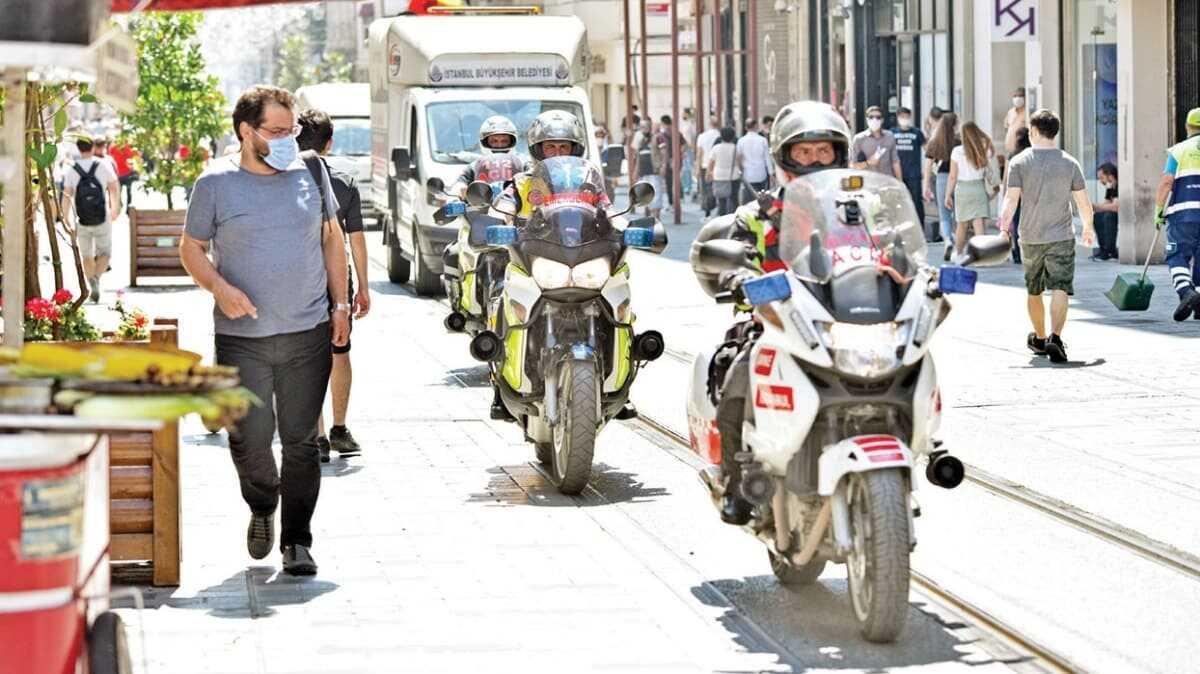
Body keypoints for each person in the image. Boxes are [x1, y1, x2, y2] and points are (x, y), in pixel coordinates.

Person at [180, 85, 350, 576]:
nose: (287, 139)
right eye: (276, 131)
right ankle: (261, 504)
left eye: (291, 130)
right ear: (246, 131)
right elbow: (191, 248)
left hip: (306, 330)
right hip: (242, 338)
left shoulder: (311, 172)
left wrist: (339, 304)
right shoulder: (215, 183)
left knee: (301, 442)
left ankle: (298, 540)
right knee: (250, 439)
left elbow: (330, 239)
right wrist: (218, 287)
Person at [702, 102, 850, 524]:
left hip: (845, 323)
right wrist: (736, 278)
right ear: (785, 156)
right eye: (804, 153)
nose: (815, 161)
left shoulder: (857, 208)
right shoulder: (756, 215)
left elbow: (892, 248)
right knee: (736, 382)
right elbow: (733, 258)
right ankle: (736, 483)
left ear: (839, 155)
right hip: (776, 323)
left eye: (824, 152)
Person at [297, 108, 371, 464]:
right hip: (338, 278)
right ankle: (341, 427)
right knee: (340, 351)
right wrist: (365, 288)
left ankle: (320, 435)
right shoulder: (345, 179)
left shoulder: (286, 178)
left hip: (300, 277)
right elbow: (355, 240)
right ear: (330, 142)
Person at [997, 109, 1094, 364]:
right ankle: (1055, 337)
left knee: (1034, 290)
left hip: (1030, 237)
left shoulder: (1019, 162)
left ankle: (1039, 338)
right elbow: (1083, 202)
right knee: (1060, 287)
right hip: (1062, 235)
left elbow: (1011, 199)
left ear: (1034, 132)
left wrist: (1003, 227)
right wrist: (1088, 226)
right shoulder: (1070, 162)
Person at [62, 134, 121, 303]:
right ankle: (96, 279)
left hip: (82, 219)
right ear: (93, 147)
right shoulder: (102, 165)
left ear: (78, 148)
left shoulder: (72, 169)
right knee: (105, 253)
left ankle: (91, 282)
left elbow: (66, 195)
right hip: (102, 217)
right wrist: (114, 208)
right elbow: (114, 187)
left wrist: (65, 217)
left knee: (86, 255)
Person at [1154, 106, 1200, 321]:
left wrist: (1158, 210)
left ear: (1187, 127)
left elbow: (1166, 182)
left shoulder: (1179, 150)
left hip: (1184, 213)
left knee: (1177, 255)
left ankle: (1186, 291)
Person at [944, 122, 998, 262]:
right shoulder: (983, 150)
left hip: (962, 189)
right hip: (978, 188)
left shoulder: (957, 151)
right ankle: (981, 256)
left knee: (962, 224)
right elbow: (992, 159)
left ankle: (958, 253)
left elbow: (952, 176)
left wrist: (947, 195)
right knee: (978, 222)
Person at [449, 115, 523, 198]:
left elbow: (535, 176)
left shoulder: (521, 162)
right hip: (483, 208)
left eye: (504, 141)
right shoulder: (476, 164)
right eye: (494, 141)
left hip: (518, 207)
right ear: (484, 142)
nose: (499, 145)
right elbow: (461, 181)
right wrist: (455, 194)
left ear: (512, 141)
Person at [924, 111, 960, 261]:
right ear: (955, 125)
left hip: (941, 178)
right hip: (958, 179)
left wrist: (925, 185)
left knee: (943, 213)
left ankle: (947, 241)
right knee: (958, 213)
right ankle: (958, 243)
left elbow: (928, 166)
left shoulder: (935, 142)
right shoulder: (959, 141)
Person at [891, 106, 926, 231]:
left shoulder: (916, 133)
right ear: (898, 118)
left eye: (907, 117)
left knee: (916, 203)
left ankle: (920, 230)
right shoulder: (892, 133)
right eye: (902, 117)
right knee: (897, 204)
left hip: (914, 174)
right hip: (897, 174)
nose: (904, 119)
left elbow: (927, 149)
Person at [851, 105, 902, 179]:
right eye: (871, 117)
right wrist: (868, 163)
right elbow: (852, 165)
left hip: (887, 181)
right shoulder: (859, 138)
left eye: (878, 117)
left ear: (882, 120)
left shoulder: (889, 136)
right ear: (867, 119)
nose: (874, 120)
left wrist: (900, 181)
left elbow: (895, 161)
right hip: (868, 181)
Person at [1007, 127, 1032, 263]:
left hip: (1015, 193)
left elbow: (1007, 177)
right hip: (1031, 193)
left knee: (1017, 223)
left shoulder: (1013, 155)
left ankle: (1017, 253)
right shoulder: (1033, 154)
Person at [736, 118, 772, 203]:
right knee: (762, 197)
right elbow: (767, 157)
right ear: (756, 127)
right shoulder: (762, 140)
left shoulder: (741, 141)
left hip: (748, 173)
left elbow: (739, 158)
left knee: (749, 198)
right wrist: (771, 173)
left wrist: (740, 170)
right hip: (761, 173)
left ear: (746, 128)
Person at [706, 127, 740, 216]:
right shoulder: (736, 148)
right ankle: (733, 216)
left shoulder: (716, 148)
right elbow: (739, 162)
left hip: (719, 176)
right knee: (734, 198)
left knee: (721, 200)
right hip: (733, 176)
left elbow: (711, 163)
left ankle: (722, 217)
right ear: (733, 137)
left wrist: (708, 174)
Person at [1091, 162, 1120, 261]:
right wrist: (1094, 207)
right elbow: (1107, 203)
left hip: (1126, 213)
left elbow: (1115, 207)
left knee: (1109, 216)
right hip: (1114, 212)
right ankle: (1103, 249)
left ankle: (1110, 251)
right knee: (1097, 216)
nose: (1100, 181)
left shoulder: (1119, 185)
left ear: (1110, 176)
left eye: (1102, 178)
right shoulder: (1110, 187)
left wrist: (1096, 206)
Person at [695, 115, 721, 217]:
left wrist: (697, 167)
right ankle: (717, 207)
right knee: (717, 187)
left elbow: (699, 153)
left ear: (709, 124)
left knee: (706, 188)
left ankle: (707, 210)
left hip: (705, 165)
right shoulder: (720, 135)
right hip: (718, 165)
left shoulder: (702, 136)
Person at [108, 139, 139, 212]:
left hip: (118, 174)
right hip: (127, 173)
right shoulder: (127, 147)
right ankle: (128, 208)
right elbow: (135, 156)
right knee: (129, 191)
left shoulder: (113, 148)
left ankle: (119, 205)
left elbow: (109, 155)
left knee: (119, 191)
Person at [1004, 87, 1028, 155]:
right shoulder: (1011, 112)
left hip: (1022, 151)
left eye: (1020, 96)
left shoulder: (1027, 113)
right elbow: (1006, 127)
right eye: (1015, 96)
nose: (1017, 98)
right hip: (1010, 151)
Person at [680, 108, 697, 198]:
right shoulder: (686, 124)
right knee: (685, 168)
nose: (682, 115)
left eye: (683, 114)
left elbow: (692, 138)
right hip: (686, 148)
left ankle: (688, 187)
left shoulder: (690, 125)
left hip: (688, 148)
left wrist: (692, 148)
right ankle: (686, 186)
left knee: (688, 168)